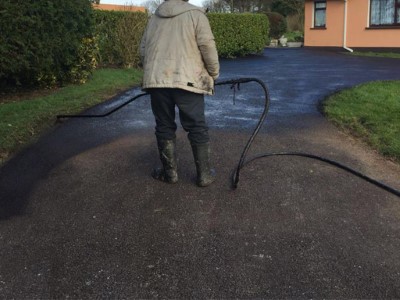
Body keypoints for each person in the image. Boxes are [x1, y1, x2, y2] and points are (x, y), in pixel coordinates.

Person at [140, 0, 220, 187]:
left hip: (158, 82)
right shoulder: (196, 15)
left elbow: (143, 50)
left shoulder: (154, 18)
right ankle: (205, 175)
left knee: (164, 125)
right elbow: (207, 47)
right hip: (188, 80)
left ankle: (170, 174)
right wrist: (213, 73)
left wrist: (154, 71)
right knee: (196, 126)